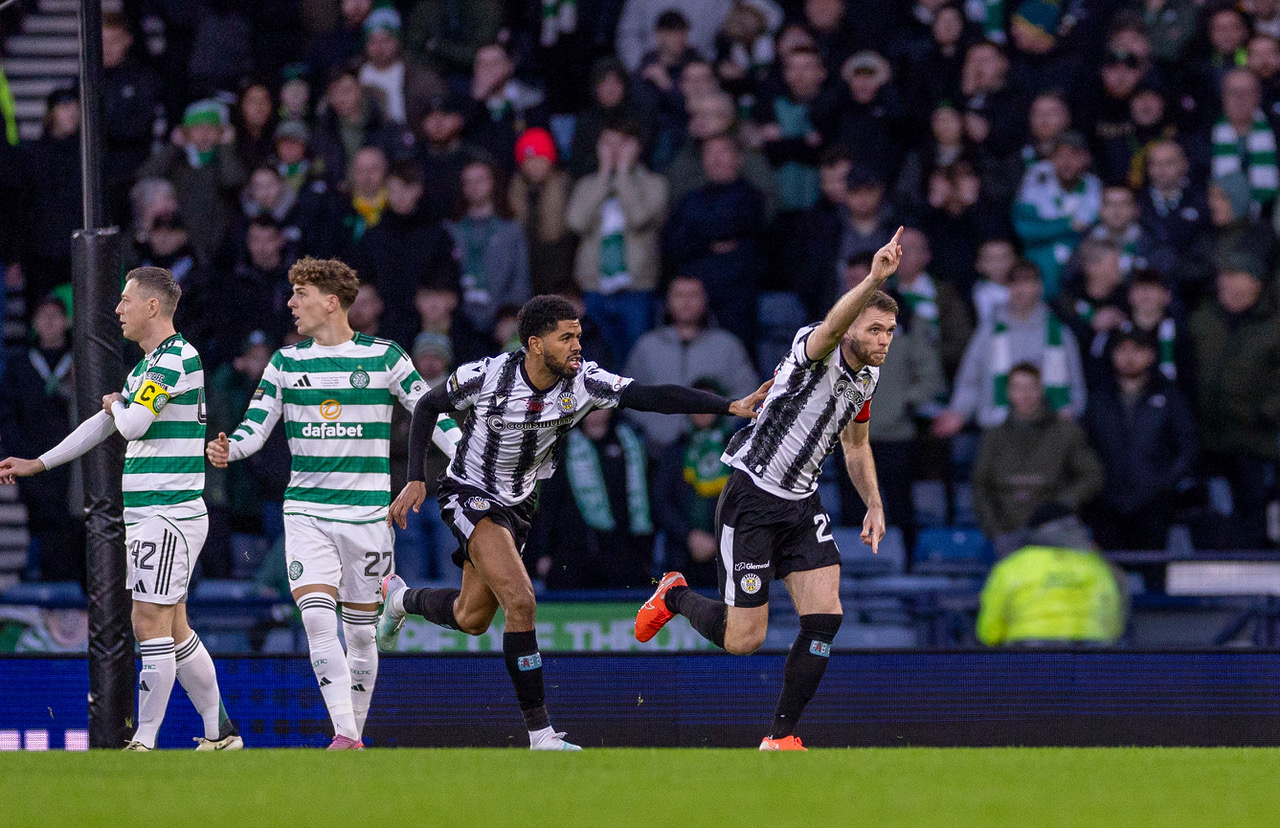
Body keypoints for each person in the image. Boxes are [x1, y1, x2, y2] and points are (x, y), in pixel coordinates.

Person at [375, 294, 769, 751]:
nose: (578, 345)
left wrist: (728, 406)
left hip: (519, 505)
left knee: (472, 617)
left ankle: (400, 598)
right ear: (536, 344)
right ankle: (541, 734)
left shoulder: (584, 382)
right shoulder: (488, 374)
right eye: (567, 337)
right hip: (469, 494)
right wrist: (416, 480)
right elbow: (426, 407)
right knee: (521, 603)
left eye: (579, 335)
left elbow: (650, 396)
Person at [635, 228, 906, 751]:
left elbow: (855, 445)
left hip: (802, 503)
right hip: (753, 497)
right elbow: (831, 325)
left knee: (826, 617)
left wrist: (873, 501)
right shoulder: (816, 346)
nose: (883, 341)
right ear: (851, 328)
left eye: (890, 332)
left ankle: (781, 736)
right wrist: (873, 276)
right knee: (744, 640)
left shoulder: (866, 378)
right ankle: (675, 595)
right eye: (875, 330)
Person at [204, 258, 459, 749]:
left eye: (301, 294)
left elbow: (431, 413)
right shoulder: (285, 362)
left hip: (367, 515)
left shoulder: (385, 358)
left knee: (360, 635)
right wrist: (228, 449)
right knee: (318, 618)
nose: (291, 303)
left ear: (331, 302)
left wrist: (469, 459)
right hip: (306, 512)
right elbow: (255, 429)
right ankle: (346, 735)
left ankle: (351, 731)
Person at [0, 268, 242, 752]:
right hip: (154, 513)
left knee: (146, 620)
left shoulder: (176, 358)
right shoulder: (148, 366)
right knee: (173, 628)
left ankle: (146, 742)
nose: (118, 309)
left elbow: (129, 424)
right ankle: (221, 734)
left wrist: (115, 404)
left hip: (168, 512)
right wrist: (38, 463)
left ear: (153, 306)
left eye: (126, 300)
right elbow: (102, 424)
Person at [970, 362, 1104, 554]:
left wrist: (1061, 506)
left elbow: (1091, 476)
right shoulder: (993, 436)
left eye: (1031, 387)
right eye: (1018, 387)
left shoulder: (1066, 432)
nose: (1025, 395)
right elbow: (981, 486)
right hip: (1008, 532)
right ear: (1009, 392)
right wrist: (995, 531)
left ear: (1040, 390)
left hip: (1056, 532)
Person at [566, 120, 669, 366]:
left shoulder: (654, 184)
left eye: (622, 144)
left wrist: (622, 174)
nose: (614, 150)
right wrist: (603, 175)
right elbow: (576, 222)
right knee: (593, 361)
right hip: (593, 289)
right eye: (607, 144)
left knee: (637, 362)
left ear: (636, 147)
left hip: (636, 289)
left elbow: (639, 217)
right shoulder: (588, 185)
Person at [1083, 329, 1197, 551]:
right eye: (1122, 350)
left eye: (1137, 349)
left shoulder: (1170, 398)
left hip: (1154, 506)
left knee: (1154, 575)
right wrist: (1098, 485)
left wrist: (1161, 484)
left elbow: (1187, 450)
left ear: (1151, 355)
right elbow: (1084, 448)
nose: (1129, 357)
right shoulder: (1098, 399)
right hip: (1106, 505)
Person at [623, 275, 759, 453]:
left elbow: (748, 391)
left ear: (705, 300)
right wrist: (654, 426)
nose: (686, 302)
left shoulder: (726, 344)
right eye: (679, 295)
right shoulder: (647, 345)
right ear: (667, 301)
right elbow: (627, 393)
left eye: (693, 295)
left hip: (715, 452)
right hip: (658, 450)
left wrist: (721, 425)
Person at [0, 296, 82, 583]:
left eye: (55, 316)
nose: (49, 323)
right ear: (34, 323)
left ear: (68, 321)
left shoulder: (82, 363)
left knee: (73, 526)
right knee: (43, 527)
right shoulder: (20, 365)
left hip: (74, 465)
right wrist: (21, 455)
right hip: (31, 464)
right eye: (43, 316)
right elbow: (7, 414)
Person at [976, 504, 1126, 647]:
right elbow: (1113, 614)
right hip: (1089, 650)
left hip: (1028, 650)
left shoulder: (1011, 566)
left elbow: (990, 631)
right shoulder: (1096, 564)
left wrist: (993, 641)